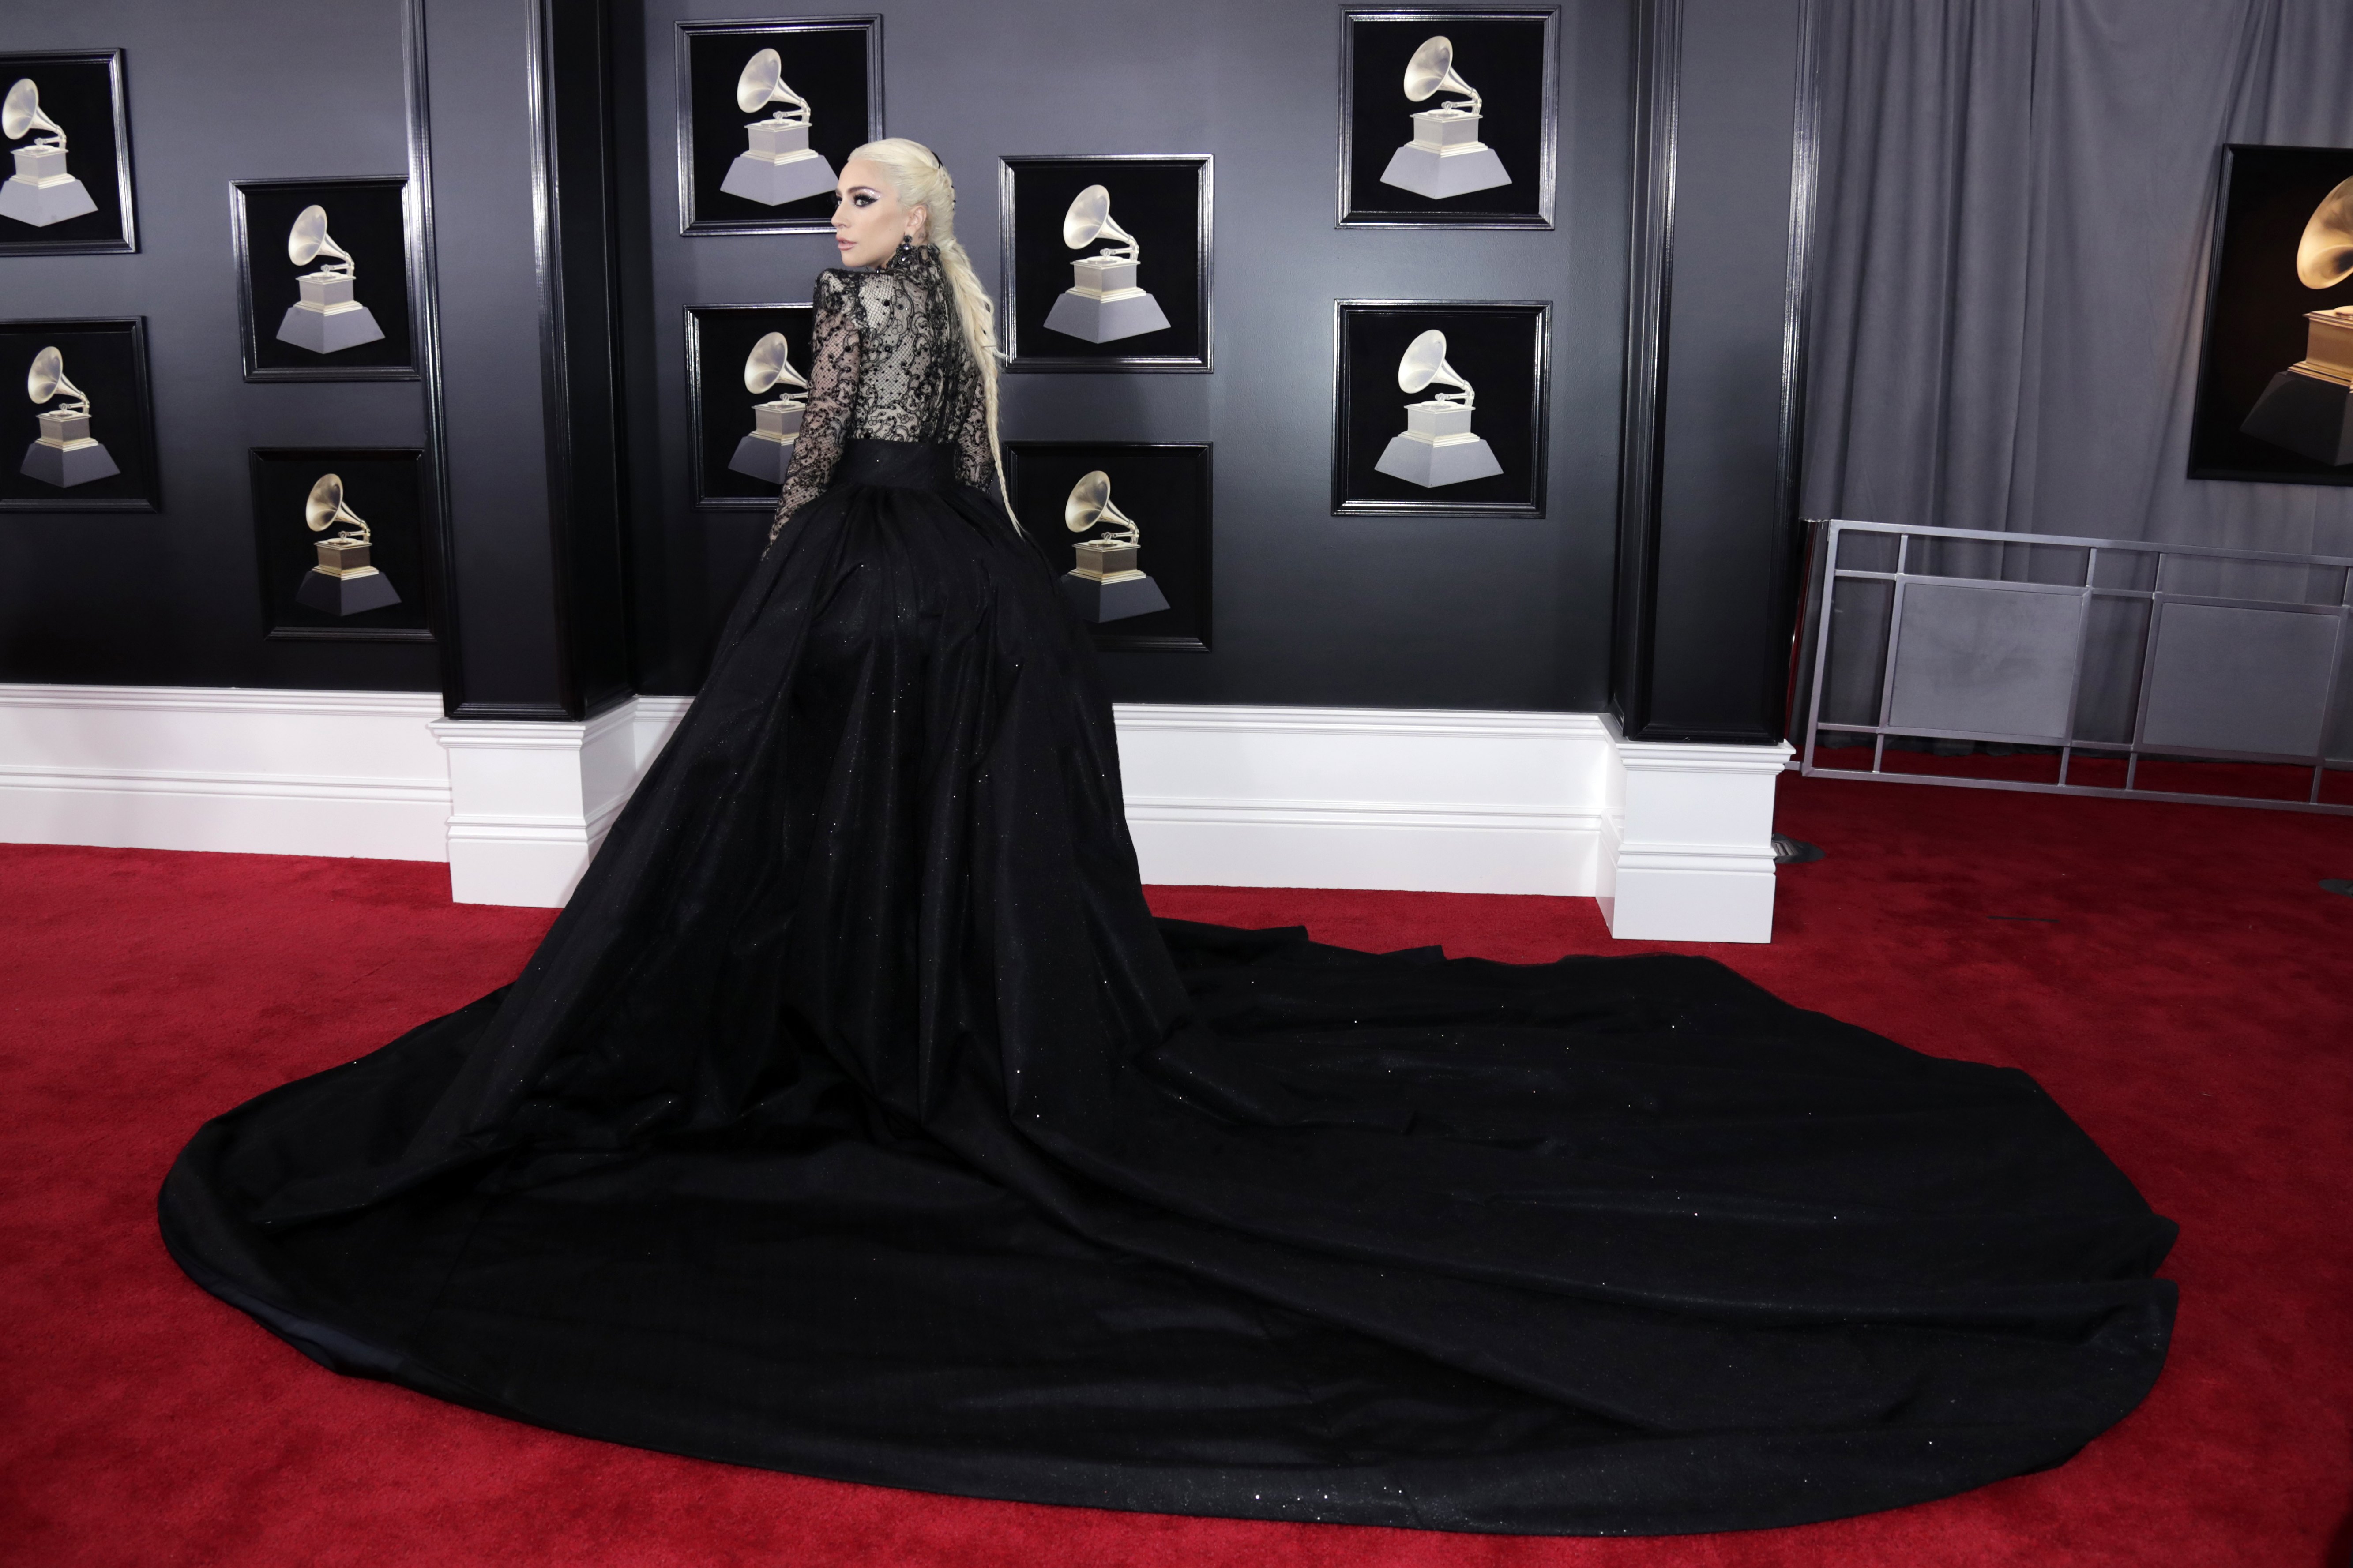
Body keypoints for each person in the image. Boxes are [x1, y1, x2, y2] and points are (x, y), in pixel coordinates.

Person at [160, 140, 2176, 1537]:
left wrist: (775, 610)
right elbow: (969, 474)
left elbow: (814, 470)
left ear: (910, 212)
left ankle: (881, 985)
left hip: (868, 591)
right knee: (927, 812)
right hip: (968, 595)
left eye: (861, 188)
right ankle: (927, 967)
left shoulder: (871, 311)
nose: (836, 208)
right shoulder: (951, 309)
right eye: (839, 186)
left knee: (796, 805)